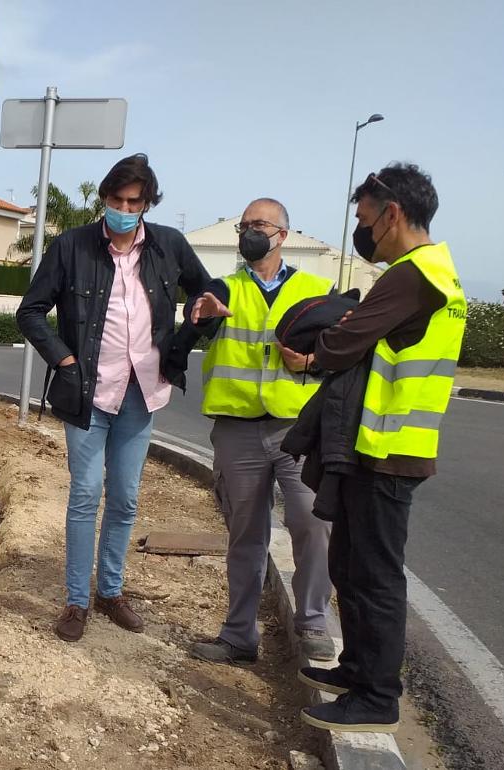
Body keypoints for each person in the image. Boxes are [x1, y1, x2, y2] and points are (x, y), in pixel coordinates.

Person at [293, 163, 465, 733]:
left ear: (393, 214)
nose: (363, 232)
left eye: (366, 219)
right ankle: (357, 669)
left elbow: (344, 340)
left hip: (390, 451)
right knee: (350, 563)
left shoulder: (413, 275)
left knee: (375, 574)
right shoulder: (435, 273)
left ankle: (376, 697)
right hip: (380, 447)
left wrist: (322, 342)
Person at [16, 154, 211, 642]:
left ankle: (110, 590)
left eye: (135, 201)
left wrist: (195, 326)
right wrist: (63, 359)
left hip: (142, 393)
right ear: (104, 198)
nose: (125, 208)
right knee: (85, 495)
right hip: (86, 393)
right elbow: (31, 312)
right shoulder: (71, 247)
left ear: (147, 203)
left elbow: (207, 294)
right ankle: (77, 601)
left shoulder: (169, 246)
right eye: (117, 199)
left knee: (124, 498)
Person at [182, 198, 336, 666]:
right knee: (245, 536)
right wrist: (199, 315)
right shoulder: (220, 288)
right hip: (237, 430)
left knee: (313, 523)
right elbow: (192, 328)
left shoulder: (318, 289)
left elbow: (341, 352)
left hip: (299, 430)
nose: (250, 232)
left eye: (259, 225)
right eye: (244, 226)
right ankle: (238, 637)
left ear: (282, 235)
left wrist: (312, 362)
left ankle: (312, 623)